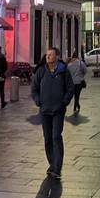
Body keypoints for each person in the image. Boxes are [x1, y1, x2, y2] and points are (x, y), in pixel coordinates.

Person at [31, 48, 75, 178]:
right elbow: (34, 88)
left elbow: (70, 88)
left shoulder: (63, 71)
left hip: (58, 110)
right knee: (48, 139)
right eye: (47, 55)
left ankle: (57, 167)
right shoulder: (41, 71)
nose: (48, 57)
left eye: (50, 55)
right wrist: (38, 101)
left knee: (56, 136)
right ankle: (52, 164)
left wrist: (64, 102)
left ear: (57, 57)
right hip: (45, 111)